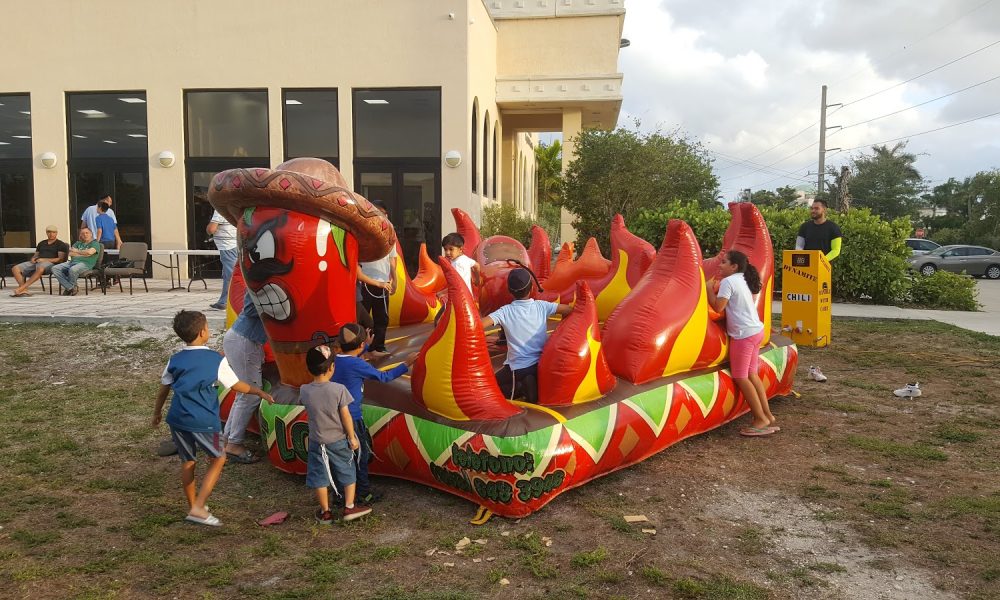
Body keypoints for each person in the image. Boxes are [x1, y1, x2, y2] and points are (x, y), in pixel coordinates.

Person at [152, 310, 273, 527]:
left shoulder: (175, 360)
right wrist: (259, 392)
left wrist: (156, 413)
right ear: (202, 332)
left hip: (177, 420)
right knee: (219, 458)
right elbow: (237, 386)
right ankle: (199, 507)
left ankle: (193, 507)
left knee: (188, 462)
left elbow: (163, 389)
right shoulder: (215, 360)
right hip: (205, 422)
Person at [280, 345, 372, 523]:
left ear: (309, 368)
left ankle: (325, 512)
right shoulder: (338, 390)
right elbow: (346, 416)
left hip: (316, 441)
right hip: (337, 439)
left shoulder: (305, 390)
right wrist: (352, 437)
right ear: (331, 368)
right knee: (347, 470)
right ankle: (349, 507)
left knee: (319, 476)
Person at [333, 323, 414, 504]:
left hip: (334, 418)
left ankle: (340, 492)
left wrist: (366, 345)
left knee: (341, 457)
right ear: (361, 345)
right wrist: (406, 364)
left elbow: (352, 353)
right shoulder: (357, 364)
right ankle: (362, 493)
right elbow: (383, 377)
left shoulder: (336, 359)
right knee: (360, 456)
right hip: (352, 418)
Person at [706, 250, 777, 437]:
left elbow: (718, 306)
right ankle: (767, 415)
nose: (720, 265)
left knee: (740, 376)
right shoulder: (742, 278)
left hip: (743, 335)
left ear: (734, 266)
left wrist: (707, 289)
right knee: (752, 374)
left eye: (723, 262)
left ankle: (760, 419)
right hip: (755, 331)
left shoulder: (729, 282)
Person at [481, 268, 572, 404]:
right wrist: (560, 331)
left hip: (518, 368)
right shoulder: (542, 306)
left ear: (510, 291)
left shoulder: (505, 312)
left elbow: (478, 325)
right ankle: (528, 384)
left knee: (488, 389)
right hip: (541, 364)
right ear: (531, 289)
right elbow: (569, 310)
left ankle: (521, 387)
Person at [221, 289, 268, 463]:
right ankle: (234, 443)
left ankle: (228, 438)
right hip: (244, 340)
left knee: (244, 395)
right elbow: (250, 309)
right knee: (250, 395)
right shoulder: (261, 278)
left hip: (243, 339)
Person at [357, 202, 396, 356]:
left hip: (383, 283)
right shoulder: (365, 234)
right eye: (379, 213)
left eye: (384, 214)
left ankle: (378, 347)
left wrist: (395, 280)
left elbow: (392, 259)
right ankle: (360, 347)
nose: (382, 216)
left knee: (382, 318)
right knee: (363, 318)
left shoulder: (390, 234)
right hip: (366, 282)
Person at [10, 225, 69, 297]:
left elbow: (60, 259)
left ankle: (21, 288)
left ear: (56, 233)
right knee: (15, 268)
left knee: (40, 268)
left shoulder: (60, 244)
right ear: (46, 233)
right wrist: (33, 259)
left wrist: (44, 260)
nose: (51, 234)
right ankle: (23, 290)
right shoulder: (42, 243)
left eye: (53, 232)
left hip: (51, 264)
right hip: (37, 262)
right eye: (49, 232)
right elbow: (36, 255)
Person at [52, 227, 101, 296]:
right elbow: (71, 254)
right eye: (83, 233)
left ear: (91, 234)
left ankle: (69, 288)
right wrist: (84, 254)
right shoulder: (78, 243)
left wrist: (77, 252)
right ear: (80, 235)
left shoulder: (95, 244)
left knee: (73, 269)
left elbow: (90, 252)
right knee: (55, 268)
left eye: (87, 233)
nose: (85, 235)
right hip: (71, 262)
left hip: (85, 264)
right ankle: (71, 287)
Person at [207, 210, 238, 310]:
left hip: (227, 246)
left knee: (231, 275)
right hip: (237, 244)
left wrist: (207, 229)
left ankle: (226, 302)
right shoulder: (234, 207)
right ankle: (223, 301)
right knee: (228, 274)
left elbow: (212, 229)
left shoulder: (220, 209)